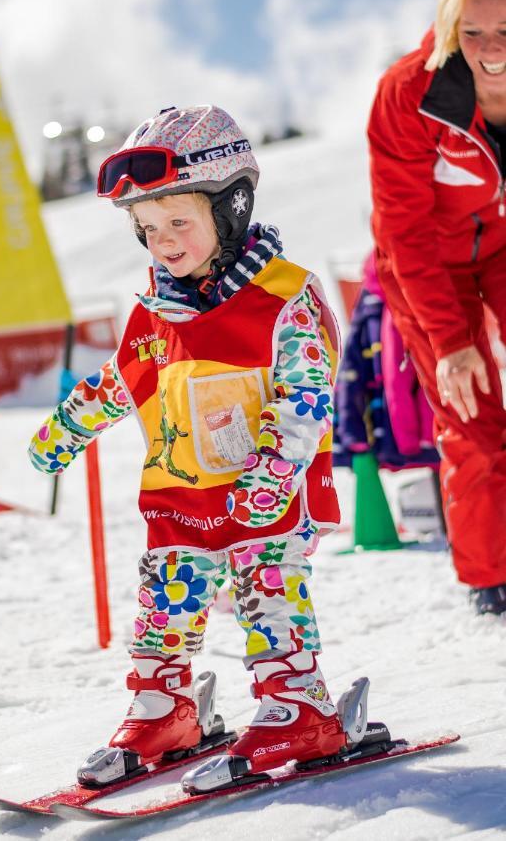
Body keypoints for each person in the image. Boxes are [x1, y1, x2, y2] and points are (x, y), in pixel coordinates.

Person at [28, 105, 362, 792]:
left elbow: (307, 391)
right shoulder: (157, 311)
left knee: (268, 598)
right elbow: (123, 380)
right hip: (181, 501)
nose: (163, 242)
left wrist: (273, 470)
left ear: (232, 207)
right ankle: (164, 707)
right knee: (164, 611)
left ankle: (298, 706)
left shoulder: (282, 299)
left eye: (180, 221)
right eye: (148, 229)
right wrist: (68, 426)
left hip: (264, 502)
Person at [368, 0, 506, 616]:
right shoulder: (409, 95)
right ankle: (491, 577)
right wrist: (452, 342)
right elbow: (404, 232)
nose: (491, 51)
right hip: (428, 262)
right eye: (473, 31)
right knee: (471, 410)